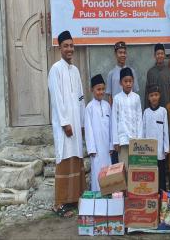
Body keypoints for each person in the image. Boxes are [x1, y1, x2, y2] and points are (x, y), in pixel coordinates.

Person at [48, 30, 86, 218]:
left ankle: (73, 199)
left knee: (76, 159)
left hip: (76, 123)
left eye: (71, 45)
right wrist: (65, 123)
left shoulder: (75, 70)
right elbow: (57, 98)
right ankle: (59, 204)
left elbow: (80, 97)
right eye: (66, 46)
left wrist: (81, 121)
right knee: (64, 160)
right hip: (65, 126)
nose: (69, 49)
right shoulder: (56, 69)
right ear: (60, 47)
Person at [106, 41, 139, 164]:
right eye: (120, 52)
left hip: (131, 119)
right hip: (118, 116)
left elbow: (135, 95)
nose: (122, 55)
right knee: (121, 160)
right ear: (115, 54)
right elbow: (110, 97)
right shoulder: (111, 74)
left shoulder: (132, 72)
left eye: (124, 52)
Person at [84, 74, 112, 191]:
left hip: (107, 148)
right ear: (92, 90)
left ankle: (109, 197)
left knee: (108, 172)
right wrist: (91, 149)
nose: (101, 92)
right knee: (97, 173)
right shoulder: (89, 107)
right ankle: (97, 199)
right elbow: (88, 129)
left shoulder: (107, 106)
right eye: (98, 89)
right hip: (96, 149)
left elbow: (111, 126)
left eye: (103, 89)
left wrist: (111, 145)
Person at [111, 67, 143, 170]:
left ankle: (134, 187)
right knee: (124, 167)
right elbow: (114, 120)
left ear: (133, 82)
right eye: (126, 81)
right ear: (121, 83)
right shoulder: (117, 98)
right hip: (122, 139)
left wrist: (140, 137)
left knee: (135, 167)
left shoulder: (136, 98)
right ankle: (125, 187)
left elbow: (139, 119)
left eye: (130, 81)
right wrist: (116, 141)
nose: (128, 83)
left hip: (135, 139)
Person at [143, 84, 170, 191]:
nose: (154, 97)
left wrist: (166, 148)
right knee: (150, 175)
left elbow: (165, 131)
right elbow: (143, 131)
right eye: (151, 95)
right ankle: (151, 194)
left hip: (160, 150)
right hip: (148, 150)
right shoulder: (146, 112)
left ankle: (162, 196)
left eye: (156, 95)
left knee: (161, 175)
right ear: (148, 98)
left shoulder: (163, 111)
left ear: (159, 96)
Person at [145, 43, 170, 108]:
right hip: (153, 108)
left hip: (167, 105)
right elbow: (147, 92)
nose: (160, 56)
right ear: (154, 55)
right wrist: (146, 108)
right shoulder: (150, 72)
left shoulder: (169, 71)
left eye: (162, 53)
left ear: (164, 55)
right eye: (158, 54)